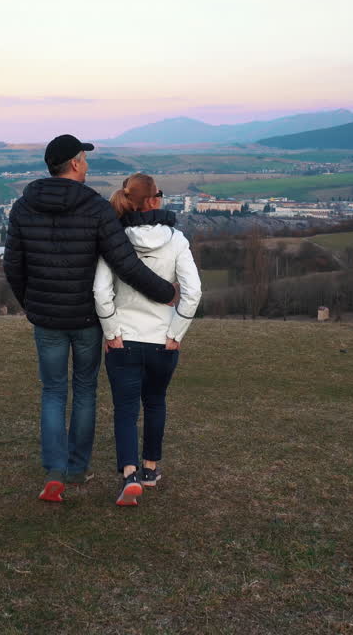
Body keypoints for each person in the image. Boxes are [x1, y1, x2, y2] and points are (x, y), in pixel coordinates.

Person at [4, 135, 178, 504]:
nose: (87, 163)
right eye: (84, 158)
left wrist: (30, 304)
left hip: (46, 317)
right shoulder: (95, 208)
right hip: (85, 317)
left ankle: (54, 472)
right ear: (76, 163)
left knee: (52, 391)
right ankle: (77, 467)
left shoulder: (23, 207)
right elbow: (125, 264)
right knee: (84, 390)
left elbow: (13, 266)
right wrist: (165, 293)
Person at [94, 172, 201, 506]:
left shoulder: (115, 239)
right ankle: (151, 469)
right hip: (162, 341)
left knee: (125, 409)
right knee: (155, 402)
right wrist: (176, 332)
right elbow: (193, 292)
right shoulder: (177, 240)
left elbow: (100, 291)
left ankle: (130, 475)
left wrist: (111, 332)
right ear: (154, 200)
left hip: (123, 340)